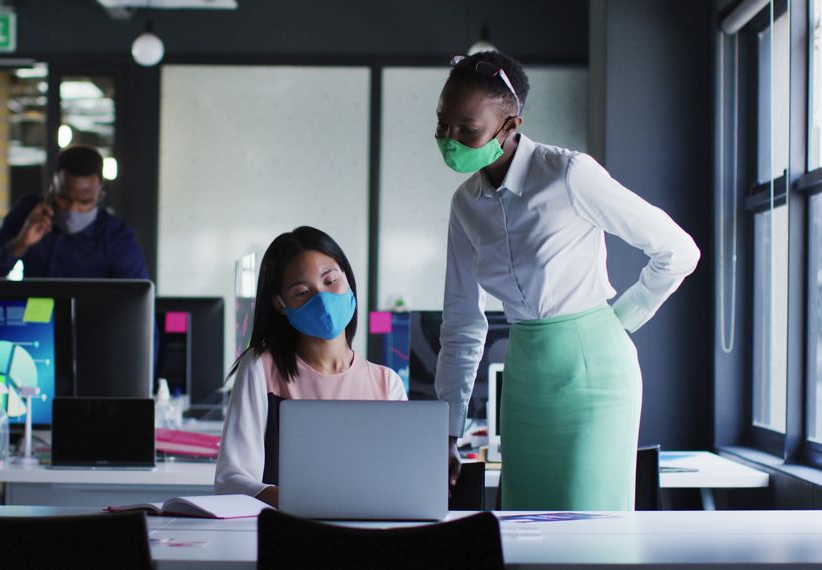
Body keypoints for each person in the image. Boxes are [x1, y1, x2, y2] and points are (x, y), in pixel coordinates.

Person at [433, 52, 700, 511]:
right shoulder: (465, 205)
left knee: (587, 530)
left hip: (595, 376)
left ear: (509, 124)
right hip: (524, 379)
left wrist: (620, 320)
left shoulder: (568, 174)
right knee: (523, 527)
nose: (451, 139)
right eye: (443, 125)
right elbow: (462, 322)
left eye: (467, 129)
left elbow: (678, 251)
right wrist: (447, 430)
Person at [214, 226, 407, 507]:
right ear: (280, 304)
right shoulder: (261, 369)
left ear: (349, 280)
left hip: (370, 534)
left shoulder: (386, 384)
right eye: (303, 292)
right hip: (288, 535)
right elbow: (231, 480)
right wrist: (307, 502)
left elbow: (403, 482)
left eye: (330, 281)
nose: (323, 299)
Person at [0, 145, 149, 279]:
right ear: (51, 190)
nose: (72, 209)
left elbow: (139, 305)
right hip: (34, 324)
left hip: (89, 326)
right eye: (63, 198)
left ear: (99, 197)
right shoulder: (29, 213)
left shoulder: (116, 237)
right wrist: (20, 244)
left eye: (84, 202)